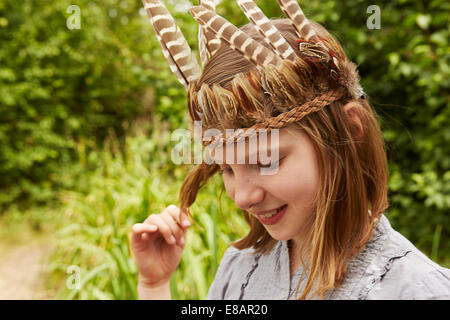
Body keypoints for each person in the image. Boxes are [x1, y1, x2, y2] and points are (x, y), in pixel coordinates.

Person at [131, 0, 450, 300]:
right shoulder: (240, 268)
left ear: (350, 130)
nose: (242, 197)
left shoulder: (415, 288)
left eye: (266, 160)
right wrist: (155, 285)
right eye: (227, 169)